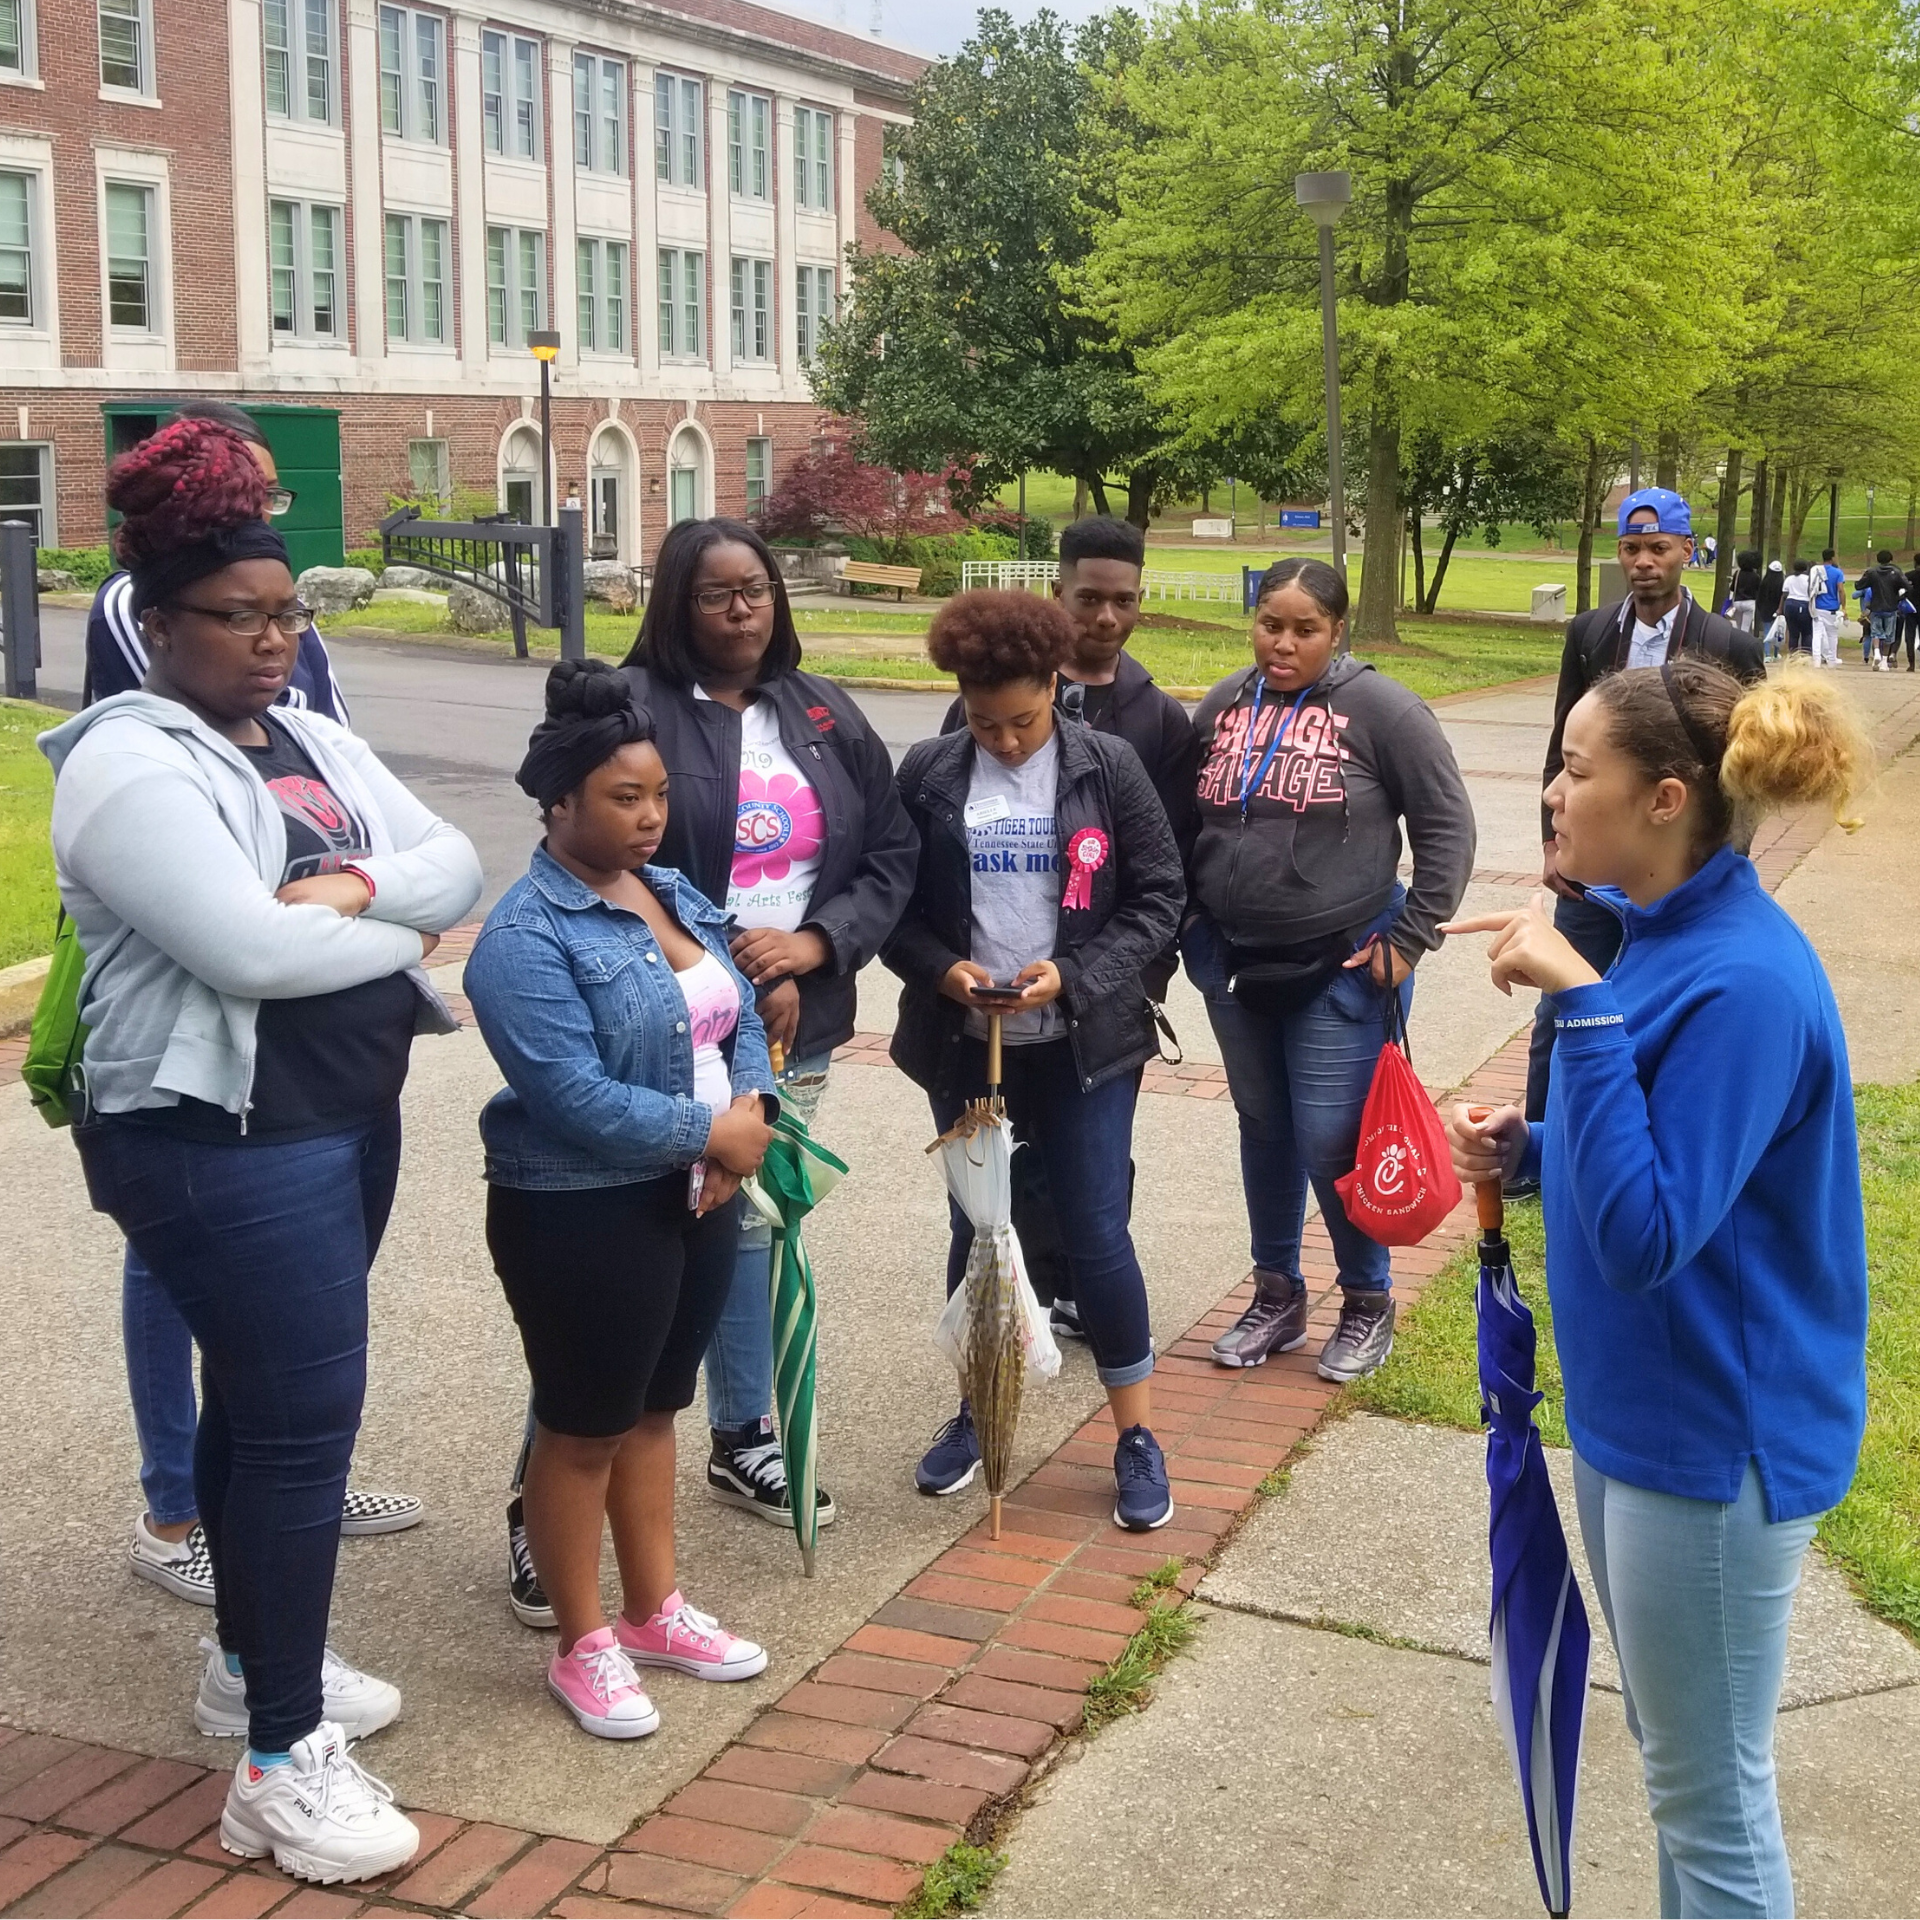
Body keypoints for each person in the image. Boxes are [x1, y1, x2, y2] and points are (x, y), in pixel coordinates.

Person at [42, 417, 483, 1882]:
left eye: (289, 612)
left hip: (340, 1113)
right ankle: (281, 1767)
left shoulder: (312, 737)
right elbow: (242, 952)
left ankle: (248, 1667)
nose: (276, 639)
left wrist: (350, 891)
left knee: (261, 1402)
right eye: (240, 616)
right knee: (304, 1430)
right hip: (214, 1140)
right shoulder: (125, 766)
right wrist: (397, 927)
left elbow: (456, 861)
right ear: (157, 622)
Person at [1445, 659, 1870, 1920]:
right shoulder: (1661, 937)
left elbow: (1648, 1237)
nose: (1552, 792)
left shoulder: (1742, 981)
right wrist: (1532, 1153)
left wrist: (1578, 1003)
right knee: (1682, 1773)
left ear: (1666, 799)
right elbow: (1661, 1153)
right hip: (1641, 1421)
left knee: (1711, 1804)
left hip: (1716, 1441)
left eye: (1578, 770)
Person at [87, 402, 415, 1612]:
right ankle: (177, 1505)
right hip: (198, 1047)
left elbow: (381, 813)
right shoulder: (151, 615)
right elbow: (236, 925)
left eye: (272, 496)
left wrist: (363, 882)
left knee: (287, 1369)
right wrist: (390, 919)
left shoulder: (275, 618)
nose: (264, 511)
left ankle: (272, 1499)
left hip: (323, 1026)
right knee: (182, 1274)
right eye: (251, 491)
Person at [466, 660, 777, 1739]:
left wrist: (750, 1115)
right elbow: (573, 1097)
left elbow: (740, 1010)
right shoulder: (524, 938)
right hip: (581, 1209)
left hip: (697, 1194)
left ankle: (653, 1612)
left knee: (655, 1412)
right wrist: (712, 1133)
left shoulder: (670, 890)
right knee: (581, 1426)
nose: (650, 818)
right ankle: (582, 1644)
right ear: (558, 802)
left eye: (658, 795)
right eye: (623, 798)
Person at [884, 591, 1185, 1528]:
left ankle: (1137, 1436)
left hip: (1083, 1048)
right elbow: (892, 905)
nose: (1007, 741)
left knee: (1096, 1234)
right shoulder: (930, 772)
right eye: (985, 723)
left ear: (1054, 685)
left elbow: (1159, 896)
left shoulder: (1108, 765)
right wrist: (944, 971)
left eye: (1022, 719)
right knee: (980, 1230)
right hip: (969, 1049)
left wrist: (1076, 975)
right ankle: (980, 1409)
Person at [1189, 559, 1474, 1379]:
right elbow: (1179, 819)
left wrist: (1410, 938)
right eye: (1269, 625)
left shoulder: (1384, 710)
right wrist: (1191, 923)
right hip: (1237, 964)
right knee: (1263, 1129)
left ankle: (1366, 1301)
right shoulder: (1225, 704)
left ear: (1337, 631)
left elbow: (1448, 828)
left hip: (1344, 964)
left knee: (1331, 1139)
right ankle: (1277, 1294)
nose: (1283, 644)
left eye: (1304, 630)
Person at [938, 514, 1198, 1343]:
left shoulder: (1151, 722)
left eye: (1125, 600)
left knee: (1092, 1195)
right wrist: (942, 966)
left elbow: (1165, 869)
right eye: (1090, 598)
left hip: (1101, 998)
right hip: (988, 1020)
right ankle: (1013, 1331)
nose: (1107, 616)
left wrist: (1117, 976)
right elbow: (925, 878)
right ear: (1060, 596)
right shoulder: (962, 731)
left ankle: (1079, 1300)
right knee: (990, 1204)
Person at [1523, 488, 1765, 1124]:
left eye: (1658, 548)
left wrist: (1723, 860)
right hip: (1598, 865)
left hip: (1681, 867)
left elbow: (1751, 770)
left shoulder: (1728, 644)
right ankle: (1539, 1144)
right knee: (1560, 1004)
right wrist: (1553, 843)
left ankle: (1640, 1126)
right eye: (1631, 548)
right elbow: (1563, 744)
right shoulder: (1590, 632)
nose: (1643, 562)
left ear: (1687, 550)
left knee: (1662, 1007)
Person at [1860, 549, 1908, 672]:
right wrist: (1898, 598)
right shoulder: (1896, 572)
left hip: (1876, 607)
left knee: (1875, 632)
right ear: (1890, 560)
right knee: (1889, 636)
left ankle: (1876, 652)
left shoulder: (1872, 572)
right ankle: (1884, 661)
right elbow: (1907, 586)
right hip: (1891, 608)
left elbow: (1859, 585)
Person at [1810, 548, 1846, 668]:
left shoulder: (1816, 571)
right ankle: (1832, 659)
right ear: (1833, 558)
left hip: (1817, 607)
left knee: (1817, 634)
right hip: (1832, 608)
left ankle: (1816, 659)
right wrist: (1843, 606)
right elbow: (1840, 590)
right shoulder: (1837, 573)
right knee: (1832, 635)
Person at [1780, 558, 1813, 657]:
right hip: (1804, 604)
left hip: (1790, 604)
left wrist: (1780, 608)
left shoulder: (1789, 579)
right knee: (1806, 633)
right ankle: (1805, 655)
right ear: (1806, 568)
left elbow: (1784, 594)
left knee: (1793, 633)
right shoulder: (1808, 579)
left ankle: (1792, 655)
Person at [1755, 558, 1786, 659]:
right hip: (1778, 610)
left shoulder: (1764, 582)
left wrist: (1760, 608)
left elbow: (1759, 597)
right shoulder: (1782, 583)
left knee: (1767, 631)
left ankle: (1767, 654)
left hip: (1766, 610)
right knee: (1778, 632)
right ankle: (1776, 653)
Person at [1726, 550, 1761, 634]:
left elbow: (1732, 588)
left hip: (1737, 602)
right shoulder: (1755, 576)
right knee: (1745, 628)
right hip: (1749, 602)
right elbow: (1758, 590)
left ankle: (1737, 639)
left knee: (1738, 626)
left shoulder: (1737, 573)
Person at [1902, 553, 1920, 671]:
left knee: (1910, 636)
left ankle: (1911, 663)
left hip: (1911, 609)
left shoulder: (1908, 575)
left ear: (1915, 562)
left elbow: (1902, 591)